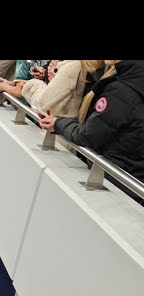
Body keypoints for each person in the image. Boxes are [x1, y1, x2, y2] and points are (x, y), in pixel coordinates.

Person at [39, 60, 144, 204]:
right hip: (132, 183)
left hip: (114, 184)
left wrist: (58, 123)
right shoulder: (129, 80)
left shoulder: (122, 90)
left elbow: (88, 136)